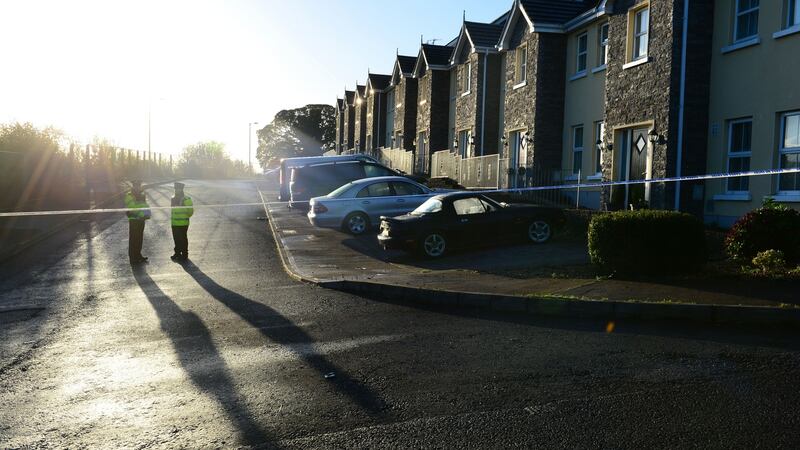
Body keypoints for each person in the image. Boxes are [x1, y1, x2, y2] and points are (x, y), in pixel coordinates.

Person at [124, 180, 150, 264]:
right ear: (133, 186)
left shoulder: (142, 195)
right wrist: (142, 214)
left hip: (141, 219)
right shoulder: (129, 195)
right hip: (134, 219)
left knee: (139, 238)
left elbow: (145, 205)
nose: (138, 187)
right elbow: (132, 207)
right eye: (136, 186)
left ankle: (138, 255)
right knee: (133, 239)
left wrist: (148, 213)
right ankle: (133, 258)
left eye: (139, 186)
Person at [170, 182, 194, 261]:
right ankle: (177, 253)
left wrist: (185, 217)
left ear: (182, 189)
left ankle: (184, 254)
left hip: (183, 223)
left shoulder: (186, 199)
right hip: (174, 223)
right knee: (176, 238)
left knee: (183, 238)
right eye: (176, 188)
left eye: (178, 188)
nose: (177, 190)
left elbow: (190, 211)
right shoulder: (172, 198)